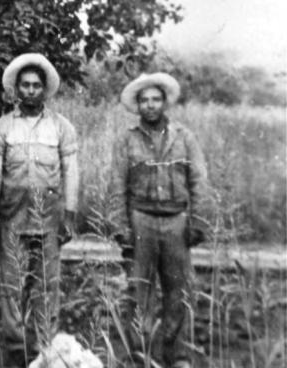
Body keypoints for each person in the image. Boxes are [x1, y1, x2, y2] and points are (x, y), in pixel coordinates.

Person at [0, 53, 79, 367]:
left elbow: (71, 172)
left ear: (45, 89)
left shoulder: (62, 128)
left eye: (36, 85)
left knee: (48, 287)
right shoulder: (1, 128)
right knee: (13, 287)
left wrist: (69, 214)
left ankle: (45, 353)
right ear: (16, 89)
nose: (30, 91)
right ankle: (15, 352)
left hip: (49, 222)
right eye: (24, 85)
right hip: (12, 220)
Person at [109, 73, 210, 368]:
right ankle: (141, 357)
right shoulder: (126, 139)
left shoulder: (184, 137)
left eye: (156, 99)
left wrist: (199, 222)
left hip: (177, 221)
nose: (150, 105)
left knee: (178, 291)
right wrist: (120, 227)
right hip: (141, 220)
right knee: (139, 291)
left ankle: (176, 356)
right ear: (137, 105)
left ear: (165, 102)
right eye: (144, 100)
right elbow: (117, 184)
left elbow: (199, 181)